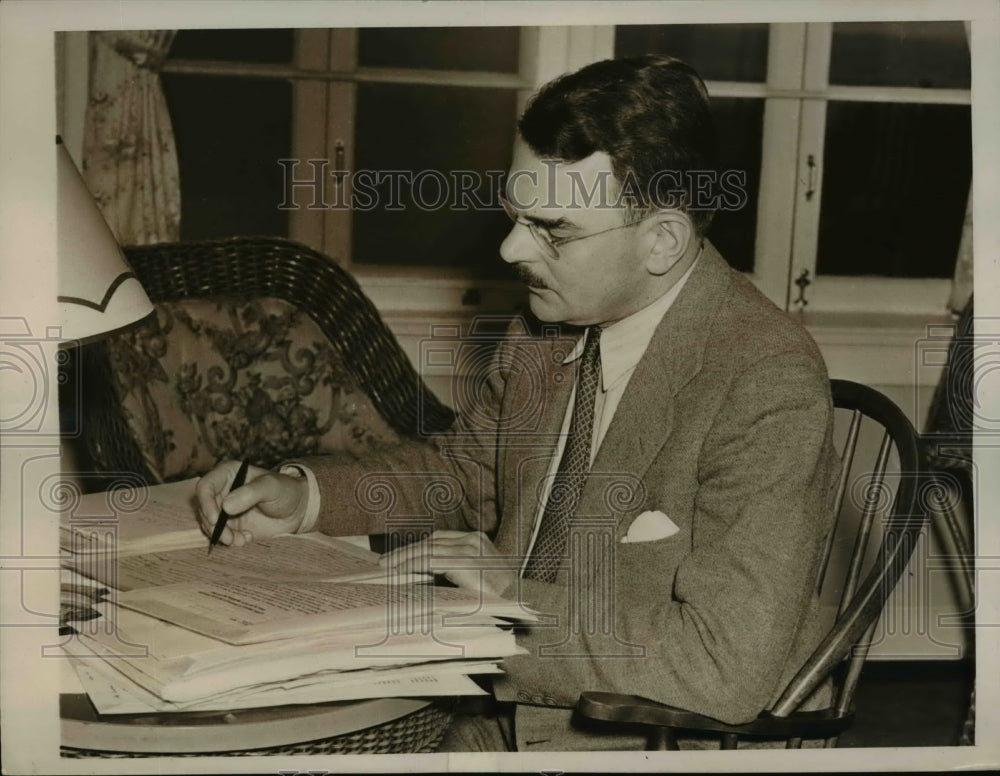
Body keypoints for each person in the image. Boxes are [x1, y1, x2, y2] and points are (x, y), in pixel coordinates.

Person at [196, 55, 840, 751]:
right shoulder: (543, 328)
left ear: (662, 240)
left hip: (655, 740)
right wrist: (308, 495)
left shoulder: (765, 379)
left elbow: (723, 668)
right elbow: (465, 474)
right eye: (513, 217)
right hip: (495, 708)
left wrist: (511, 600)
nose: (509, 249)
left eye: (551, 229)